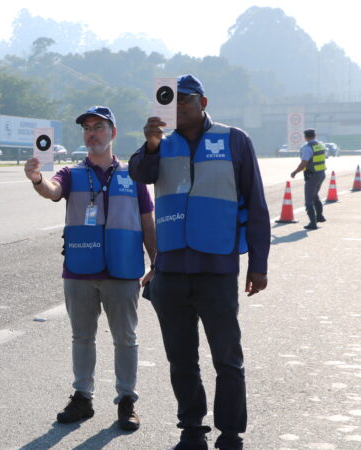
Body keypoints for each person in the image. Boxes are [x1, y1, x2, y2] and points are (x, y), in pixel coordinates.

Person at [129, 74, 270, 450]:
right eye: (169, 101)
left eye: (184, 100)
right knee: (181, 360)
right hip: (171, 272)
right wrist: (151, 144)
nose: (176, 108)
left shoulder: (234, 140)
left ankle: (230, 434)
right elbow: (139, 173)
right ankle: (192, 429)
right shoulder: (161, 145)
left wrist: (259, 264)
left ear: (202, 103)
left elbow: (257, 204)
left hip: (217, 271)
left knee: (227, 358)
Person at [24, 106, 156, 431]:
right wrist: (37, 178)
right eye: (87, 128)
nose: (91, 133)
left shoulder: (133, 174)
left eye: (98, 127)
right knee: (82, 337)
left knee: (126, 338)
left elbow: (147, 220)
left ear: (113, 132)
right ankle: (83, 397)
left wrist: (157, 262)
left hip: (123, 269)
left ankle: (127, 401)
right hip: (80, 269)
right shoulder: (71, 173)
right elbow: (52, 190)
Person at [290, 129, 326, 230]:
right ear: (315, 135)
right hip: (321, 173)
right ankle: (320, 216)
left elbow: (304, 163)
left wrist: (295, 172)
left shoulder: (307, 148)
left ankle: (313, 223)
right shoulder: (321, 145)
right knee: (315, 195)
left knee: (308, 200)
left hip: (312, 175)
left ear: (305, 137)